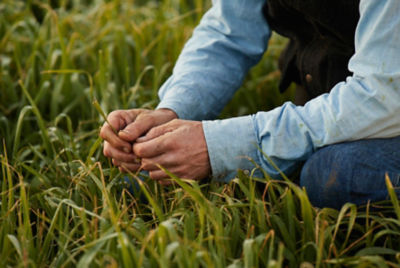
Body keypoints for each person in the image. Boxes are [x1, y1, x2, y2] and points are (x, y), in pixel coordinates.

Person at [100, 0, 400, 209]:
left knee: (336, 174)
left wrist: (222, 146)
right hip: (328, 95)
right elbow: (229, 33)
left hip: (388, 107)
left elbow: (383, 96)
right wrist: (171, 114)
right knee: (146, 173)